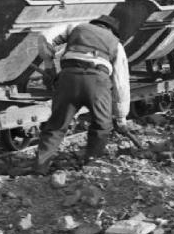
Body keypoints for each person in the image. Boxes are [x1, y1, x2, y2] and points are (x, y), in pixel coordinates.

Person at [34, 15, 131, 174]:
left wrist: (49, 65)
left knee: (56, 124)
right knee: (102, 126)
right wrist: (121, 117)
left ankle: (40, 167)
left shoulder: (75, 27)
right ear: (112, 31)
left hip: (68, 78)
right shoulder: (116, 44)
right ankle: (90, 167)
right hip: (97, 83)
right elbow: (121, 83)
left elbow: (44, 36)